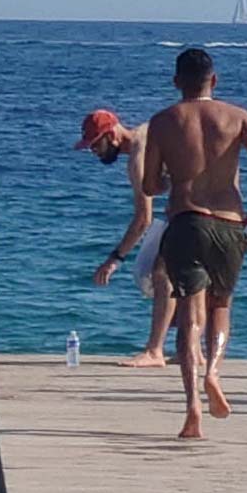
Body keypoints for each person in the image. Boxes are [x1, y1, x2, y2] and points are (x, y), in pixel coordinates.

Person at [142, 47, 247, 439]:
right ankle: (214, 371)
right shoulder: (237, 117)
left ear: (176, 81)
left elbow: (150, 185)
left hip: (186, 222)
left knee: (188, 313)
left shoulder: (164, 121)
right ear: (213, 81)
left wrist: (170, 180)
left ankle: (192, 407)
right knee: (221, 305)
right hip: (229, 224)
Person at [74, 107, 175, 368]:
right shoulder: (147, 130)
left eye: (96, 145)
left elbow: (144, 218)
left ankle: (154, 351)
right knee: (178, 280)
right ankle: (193, 349)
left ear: (113, 135)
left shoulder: (138, 158)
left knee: (158, 275)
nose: (93, 152)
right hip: (208, 203)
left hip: (195, 209)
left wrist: (115, 258)